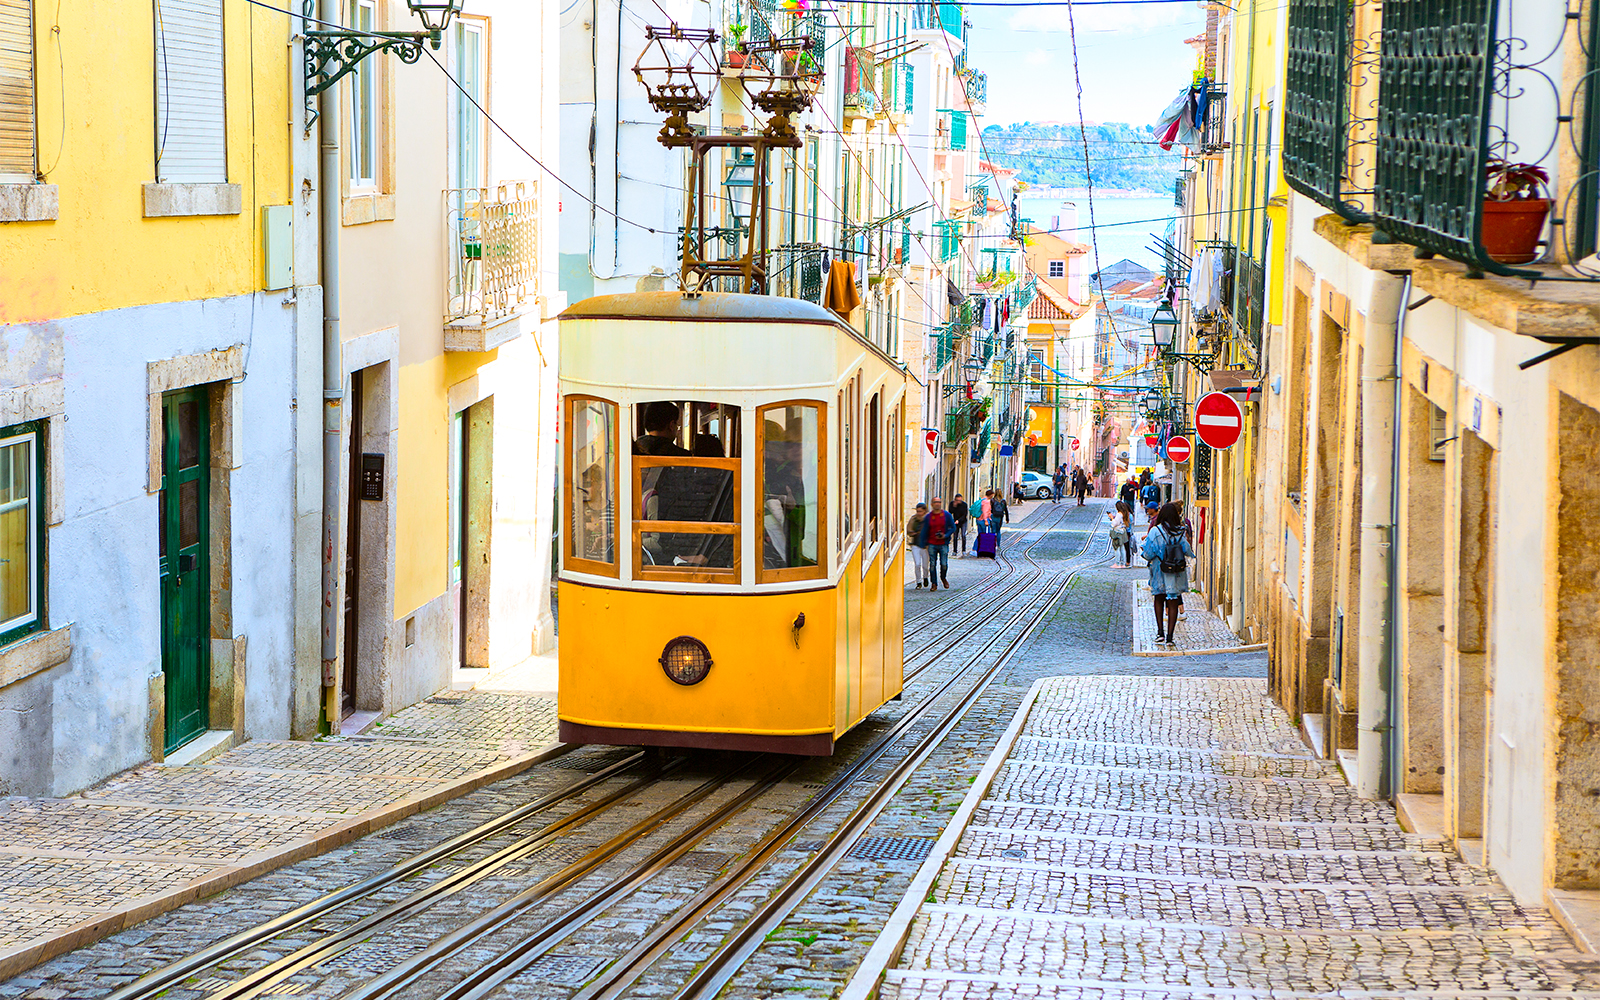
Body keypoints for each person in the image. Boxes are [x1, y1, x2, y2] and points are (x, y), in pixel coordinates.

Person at [1141, 502, 1195, 645]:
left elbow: (1147, 553)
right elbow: (1187, 550)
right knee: (1173, 601)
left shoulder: (1155, 531)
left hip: (1159, 569)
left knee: (1159, 599)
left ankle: (1160, 633)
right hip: (1175, 571)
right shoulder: (1180, 531)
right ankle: (1170, 637)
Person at [919, 497, 957, 590]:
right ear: (932, 504)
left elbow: (953, 527)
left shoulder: (947, 515)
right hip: (932, 543)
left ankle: (943, 577)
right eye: (935, 502)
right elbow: (924, 530)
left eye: (939, 502)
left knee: (944, 564)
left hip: (943, 543)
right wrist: (922, 543)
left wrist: (945, 535)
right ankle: (934, 583)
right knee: (932, 564)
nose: (937, 504)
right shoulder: (928, 517)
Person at [906, 502, 929, 588]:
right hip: (915, 543)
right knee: (917, 564)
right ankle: (918, 581)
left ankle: (925, 577)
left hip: (925, 545)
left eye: (920, 511)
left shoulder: (928, 519)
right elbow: (908, 529)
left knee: (925, 565)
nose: (919, 513)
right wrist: (912, 532)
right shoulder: (913, 519)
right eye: (917, 511)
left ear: (924, 511)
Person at [1111, 501, 1134, 567]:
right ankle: (1123, 563)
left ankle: (1118, 563)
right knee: (1123, 548)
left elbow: (1114, 524)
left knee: (1117, 547)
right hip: (1124, 531)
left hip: (1119, 532)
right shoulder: (1126, 514)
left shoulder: (1120, 514)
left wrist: (1112, 518)